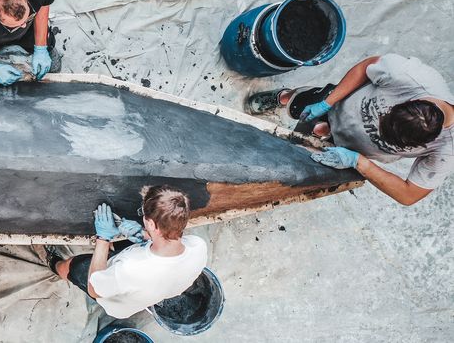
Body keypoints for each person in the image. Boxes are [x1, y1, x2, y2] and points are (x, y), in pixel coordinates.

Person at [246, 54, 453, 205]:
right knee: (299, 104)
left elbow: (409, 195)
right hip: (339, 104)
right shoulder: (408, 76)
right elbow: (365, 67)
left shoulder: (446, 150)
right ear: (411, 101)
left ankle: (323, 131)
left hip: (352, 149)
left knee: (303, 157)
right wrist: (327, 103)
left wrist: (360, 163)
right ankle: (284, 97)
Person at [48, 185, 208, 319]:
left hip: (113, 297)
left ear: (151, 224)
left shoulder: (129, 268)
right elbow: (169, 243)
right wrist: (145, 236)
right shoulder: (198, 247)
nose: (143, 218)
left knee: (74, 266)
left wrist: (103, 239)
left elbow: (94, 290)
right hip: (147, 290)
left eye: (143, 214)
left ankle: (52, 263)